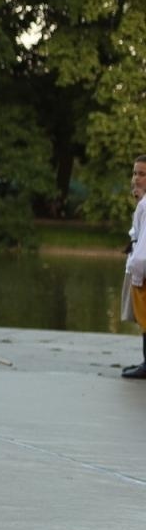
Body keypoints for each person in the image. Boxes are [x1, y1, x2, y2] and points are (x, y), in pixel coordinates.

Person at [122, 156, 146, 380]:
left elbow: (143, 247)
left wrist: (136, 275)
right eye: (135, 173)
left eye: (142, 174)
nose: (136, 179)